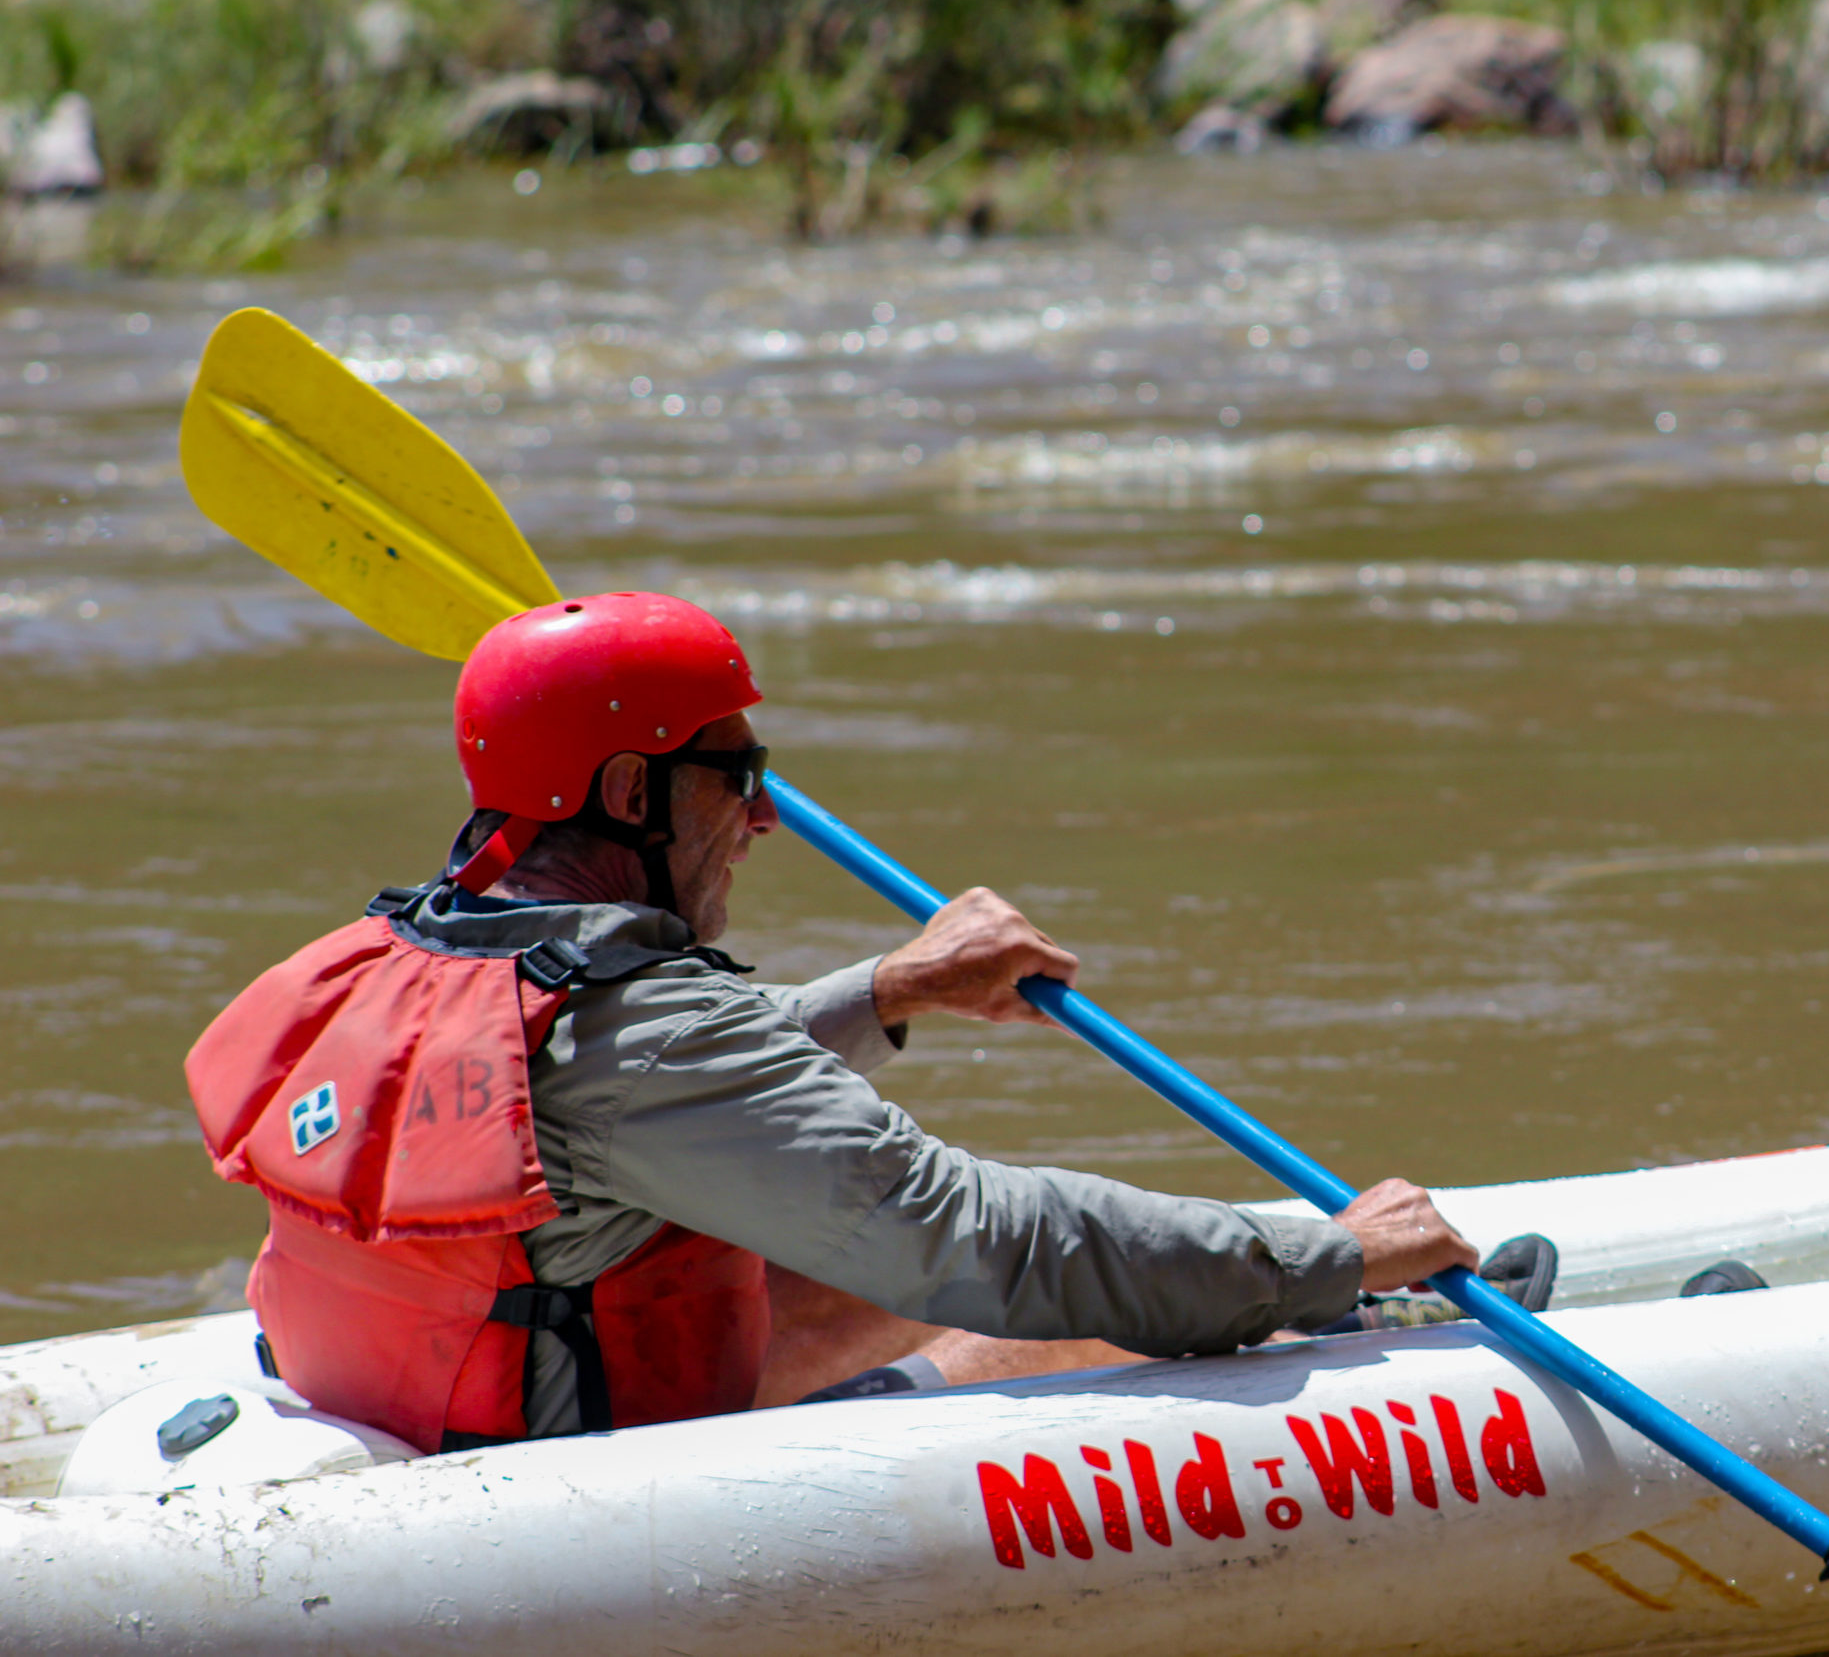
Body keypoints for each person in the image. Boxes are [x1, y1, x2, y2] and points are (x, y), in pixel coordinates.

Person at [184, 592, 1490, 1455]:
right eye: (738, 774)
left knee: (803, 1256)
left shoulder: (404, 951)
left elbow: (627, 1113)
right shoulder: (644, 1027)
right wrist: (1318, 1254)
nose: (759, 818)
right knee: (1050, 1303)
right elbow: (984, 1239)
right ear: (634, 786)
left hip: (415, 1389)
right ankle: (1361, 1331)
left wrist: (886, 991)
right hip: (550, 1495)